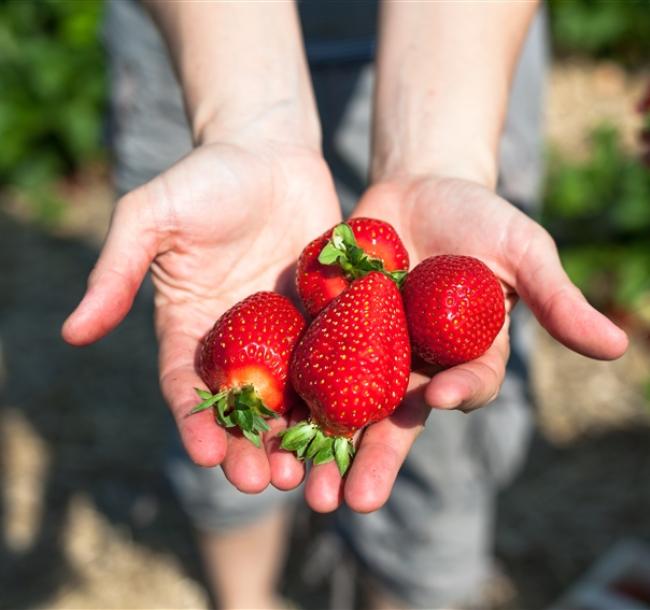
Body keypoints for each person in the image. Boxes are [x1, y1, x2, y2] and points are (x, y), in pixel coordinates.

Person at [62, 2, 628, 608]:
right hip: (195, 36)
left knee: (434, 470)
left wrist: (439, 161)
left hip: (467, 48)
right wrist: (248, 129)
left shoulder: (365, 290)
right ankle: (244, 598)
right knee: (226, 446)